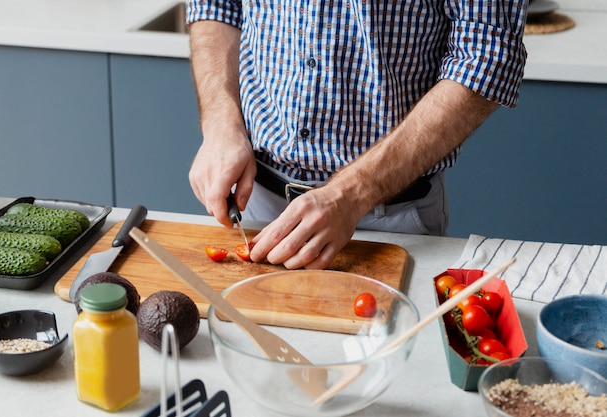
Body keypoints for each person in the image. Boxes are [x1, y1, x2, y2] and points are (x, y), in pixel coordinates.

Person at [186, 1, 528, 270]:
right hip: (254, 200)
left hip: (390, 220)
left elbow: (487, 55)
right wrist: (220, 123)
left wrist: (351, 194)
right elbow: (215, 6)